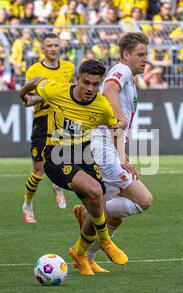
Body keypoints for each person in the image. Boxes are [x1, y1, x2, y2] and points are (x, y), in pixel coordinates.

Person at [20, 59, 129, 276]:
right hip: (57, 156)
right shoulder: (56, 90)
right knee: (96, 191)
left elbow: (114, 126)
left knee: (98, 206)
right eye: (86, 82)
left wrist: (121, 133)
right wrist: (23, 94)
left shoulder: (101, 105)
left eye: (95, 84)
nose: (90, 89)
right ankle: (105, 240)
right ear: (77, 79)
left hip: (84, 154)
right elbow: (35, 81)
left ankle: (79, 253)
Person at [71, 32, 153, 273]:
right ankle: (89, 212)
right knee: (143, 201)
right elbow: (109, 88)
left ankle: (85, 256)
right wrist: (121, 121)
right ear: (126, 55)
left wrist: (123, 152)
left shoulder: (130, 77)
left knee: (116, 216)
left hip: (109, 145)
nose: (144, 59)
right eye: (140, 54)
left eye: (146, 54)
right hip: (102, 147)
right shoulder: (122, 69)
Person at [18, 33, 75, 223]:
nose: (53, 48)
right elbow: (29, 100)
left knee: (63, 162)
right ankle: (27, 204)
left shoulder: (68, 68)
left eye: (56, 45)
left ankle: (58, 187)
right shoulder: (34, 70)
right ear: (42, 49)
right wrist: (48, 95)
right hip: (42, 122)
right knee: (38, 170)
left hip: (61, 122)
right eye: (49, 45)